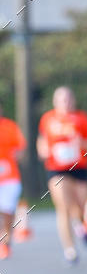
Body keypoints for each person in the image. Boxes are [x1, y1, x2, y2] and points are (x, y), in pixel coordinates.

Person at [37, 87, 87, 264]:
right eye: (62, 100)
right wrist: (43, 150)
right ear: (55, 102)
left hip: (80, 167)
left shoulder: (82, 118)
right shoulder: (47, 119)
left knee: (80, 206)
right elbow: (41, 142)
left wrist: (83, 143)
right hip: (57, 169)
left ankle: (80, 224)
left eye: (69, 99)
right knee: (63, 206)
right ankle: (70, 249)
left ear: (73, 101)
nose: (66, 103)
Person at [0, 104, 26, 260]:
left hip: (10, 177)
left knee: (7, 211)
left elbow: (21, 149)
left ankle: (6, 240)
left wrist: (17, 154)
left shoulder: (10, 126)